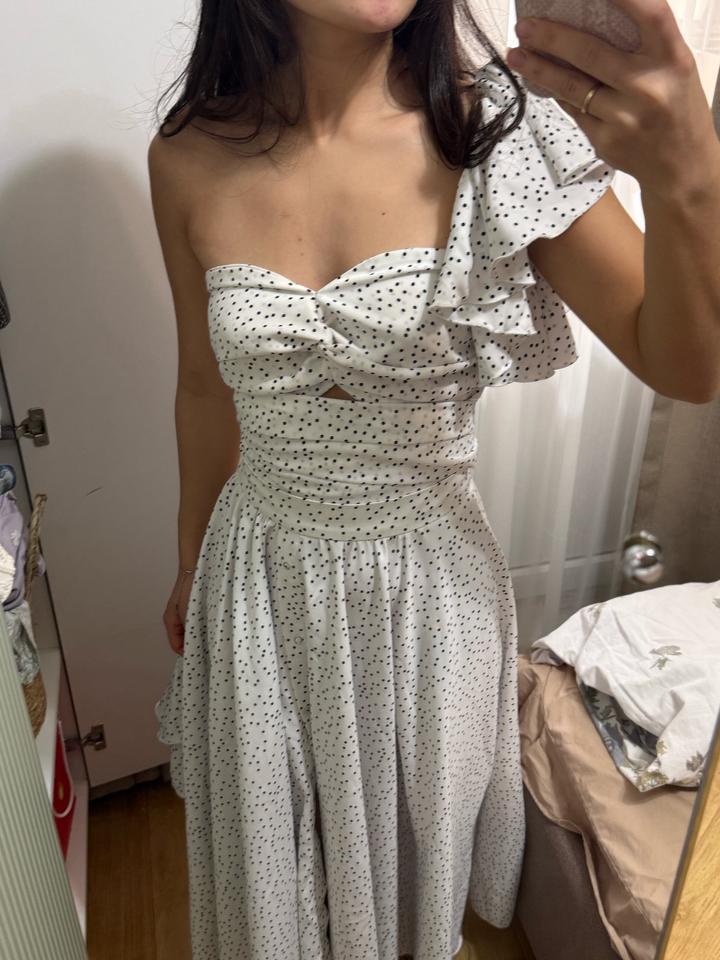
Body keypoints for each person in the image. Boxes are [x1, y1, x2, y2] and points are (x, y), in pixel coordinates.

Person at [148, 1, 720, 958]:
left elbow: (687, 366)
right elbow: (203, 388)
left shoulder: (497, 136)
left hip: (427, 596)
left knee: (409, 874)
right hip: (259, 581)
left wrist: (689, 174)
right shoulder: (186, 155)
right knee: (273, 860)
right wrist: (189, 561)